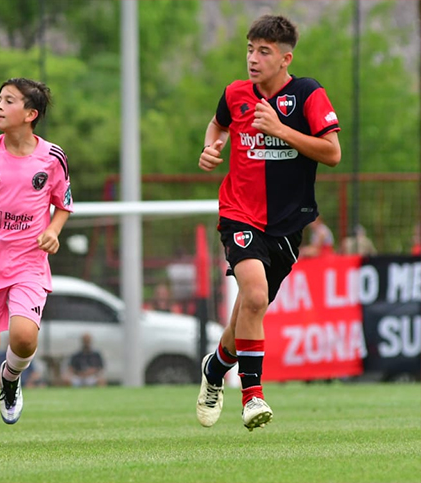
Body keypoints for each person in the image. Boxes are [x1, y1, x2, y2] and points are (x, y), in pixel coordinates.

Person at [196, 14, 341, 431]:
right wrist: (211, 147)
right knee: (255, 297)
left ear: (284, 58)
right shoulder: (235, 94)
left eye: (264, 52)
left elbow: (332, 153)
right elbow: (218, 125)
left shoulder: (308, 94)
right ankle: (252, 396)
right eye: (249, 49)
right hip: (239, 213)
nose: (253, 59)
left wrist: (280, 129)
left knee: (247, 310)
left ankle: (214, 367)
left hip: (288, 223)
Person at [0, 78, 72, 448]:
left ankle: (11, 378)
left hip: (29, 264)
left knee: (22, 338)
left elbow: (63, 205)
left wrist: (53, 230)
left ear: (31, 114)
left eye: (9, 101)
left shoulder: (53, 158)